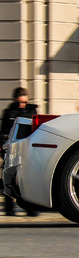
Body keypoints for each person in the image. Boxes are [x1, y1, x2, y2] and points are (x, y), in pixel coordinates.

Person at [1, 87, 38, 216]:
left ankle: (30, 209)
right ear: (15, 100)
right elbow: (4, 131)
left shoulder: (32, 110)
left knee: (26, 179)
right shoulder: (9, 112)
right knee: (10, 179)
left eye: (24, 102)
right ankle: (9, 209)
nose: (22, 105)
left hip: (27, 148)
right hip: (12, 149)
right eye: (20, 102)